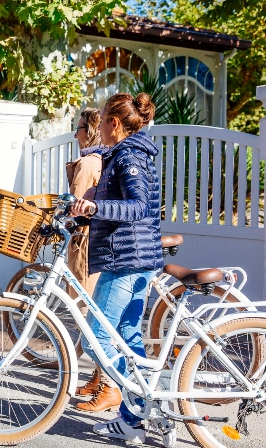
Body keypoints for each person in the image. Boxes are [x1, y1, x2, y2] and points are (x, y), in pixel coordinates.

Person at [69, 93, 164, 444]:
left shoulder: (128, 156)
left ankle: (142, 401)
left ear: (113, 123)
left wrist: (96, 209)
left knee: (96, 339)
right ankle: (133, 420)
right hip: (136, 257)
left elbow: (137, 206)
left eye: (104, 121)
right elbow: (123, 200)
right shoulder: (127, 154)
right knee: (127, 336)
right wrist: (89, 203)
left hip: (126, 259)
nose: (98, 130)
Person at [63, 108, 115, 412]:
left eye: (80, 128)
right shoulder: (103, 159)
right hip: (98, 244)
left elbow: (78, 207)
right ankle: (98, 378)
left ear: (91, 130)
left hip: (84, 245)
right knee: (93, 310)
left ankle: (106, 385)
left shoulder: (86, 164)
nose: (76, 134)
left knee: (86, 313)